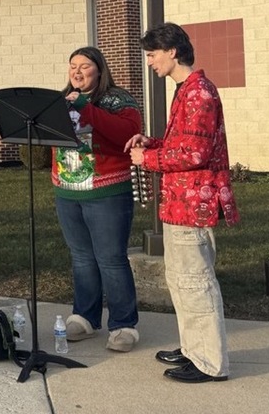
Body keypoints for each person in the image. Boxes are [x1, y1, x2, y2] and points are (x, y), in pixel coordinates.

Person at [126, 22, 239, 383]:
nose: (150, 62)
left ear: (172, 51)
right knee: (181, 280)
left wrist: (149, 160)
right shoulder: (186, 90)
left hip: (194, 204)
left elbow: (195, 152)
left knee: (196, 282)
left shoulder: (199, 93)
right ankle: (193, 349)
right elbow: (184, 143)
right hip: (180, 203)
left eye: (152, 54)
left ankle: (209, 362)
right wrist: (154, 143)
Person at [53, 47, 143, 352]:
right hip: (68, 189)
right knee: (81, 257)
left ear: (100, 70)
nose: (77, 72)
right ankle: (86, 316)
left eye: (85, 67)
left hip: (106, 191)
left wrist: (85, 107)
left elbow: (127, 133)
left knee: (111, 259)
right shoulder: (61, 99)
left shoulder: (117, 99)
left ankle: (123, 324)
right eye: (72, 66)